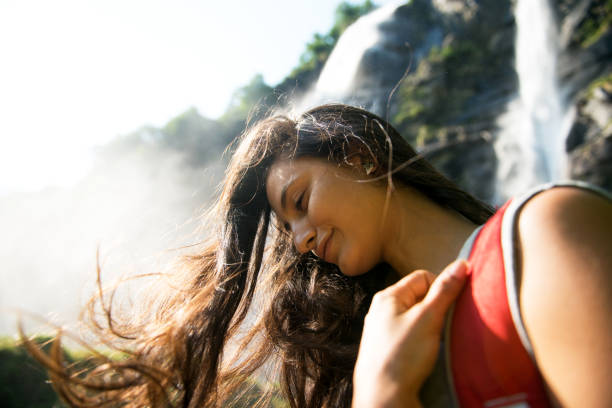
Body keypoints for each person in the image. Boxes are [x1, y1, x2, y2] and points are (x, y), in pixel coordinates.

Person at [24, 104, 612, 408]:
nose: (301, 238)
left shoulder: (542, 235)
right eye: (289, 228)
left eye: (300, 201)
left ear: (358, 155)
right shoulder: (375, 354)